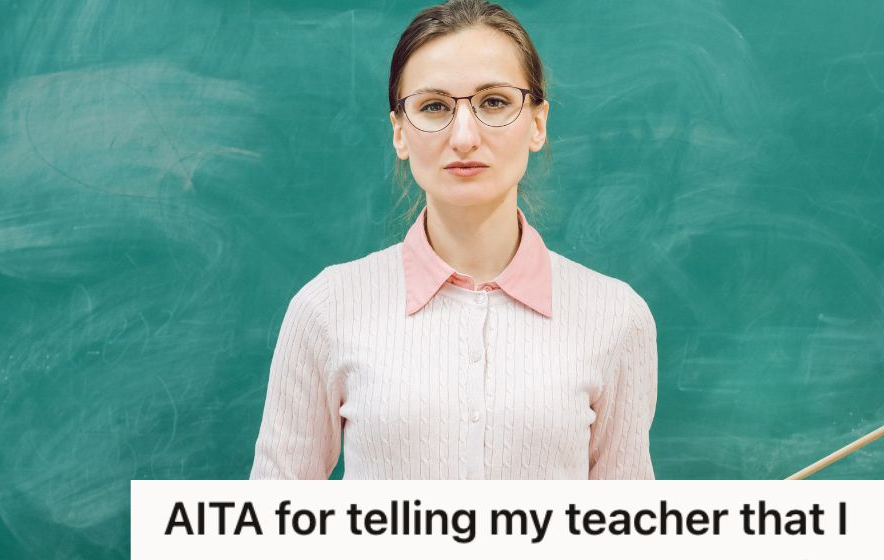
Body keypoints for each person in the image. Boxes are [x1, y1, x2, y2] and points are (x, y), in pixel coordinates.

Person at [249, 0, 657, 480]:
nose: (464, 137)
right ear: (400, 132)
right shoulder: (325, 308)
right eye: (434, 106)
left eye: (494, 102)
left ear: (538, 123)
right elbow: (270, 529)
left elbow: (628, 534)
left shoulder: (616, 318)